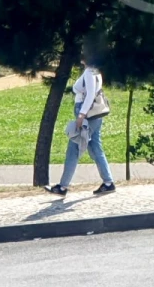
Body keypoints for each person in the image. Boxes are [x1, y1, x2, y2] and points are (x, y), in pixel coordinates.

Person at [46, 35, 115, 196]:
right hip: (94, 115)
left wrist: (81, 115)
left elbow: (90, 94)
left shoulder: (90, 73)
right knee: (96, 147)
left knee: (74, 148)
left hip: (87, 114)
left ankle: (62, 187)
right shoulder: (94, 72)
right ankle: (108, 182)